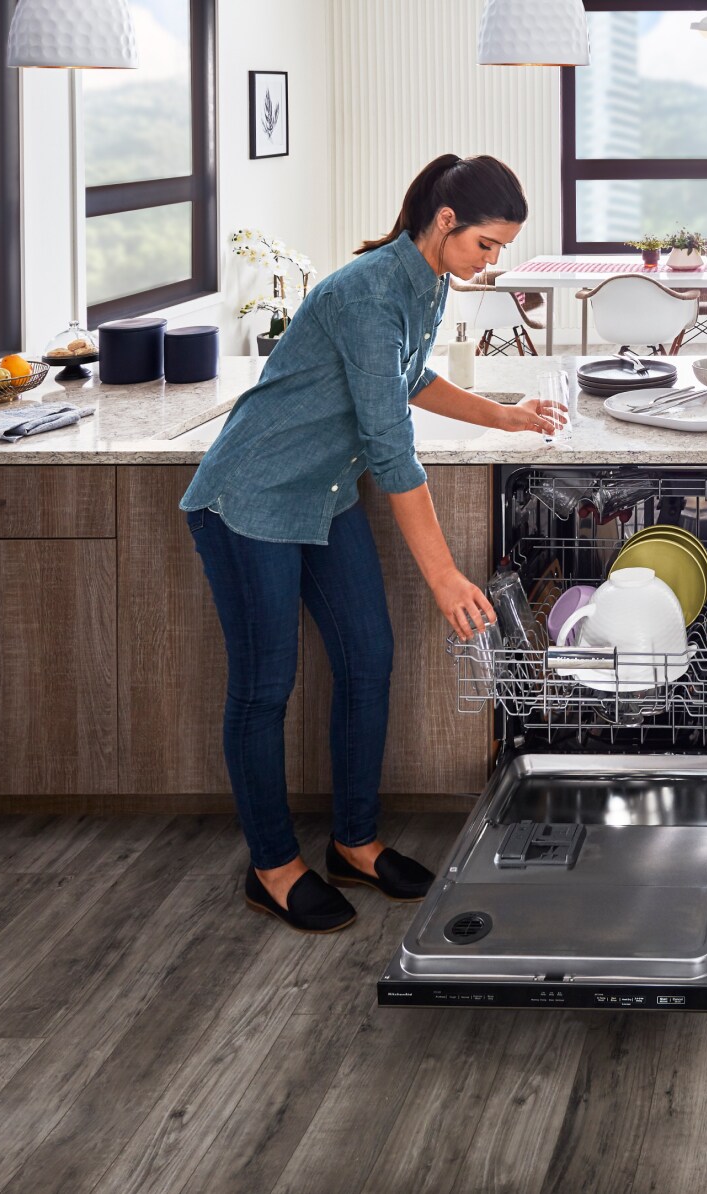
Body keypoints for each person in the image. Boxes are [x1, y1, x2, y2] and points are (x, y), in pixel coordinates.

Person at [181, 154, 565, 933]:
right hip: (250, 499)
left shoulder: (424, 281)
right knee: (264, 687)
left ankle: (355, 841)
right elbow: (392, 451)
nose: (492, 264)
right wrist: (446, 577)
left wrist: (506, 415)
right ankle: (273, 866)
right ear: (447, 222)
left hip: (322, 498)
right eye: (487, 246)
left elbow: (410, 376)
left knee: (369, 656)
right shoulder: (367, 291)